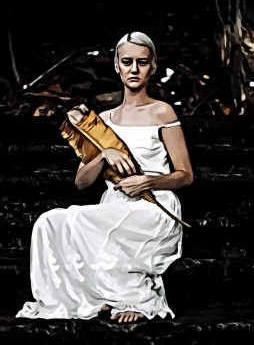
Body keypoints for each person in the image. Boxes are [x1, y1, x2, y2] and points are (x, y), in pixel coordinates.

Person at [16, 31, 193, 323]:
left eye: (142, 62)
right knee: (50, 222)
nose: (134, 69)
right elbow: (81, 183)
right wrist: (103, 154)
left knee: (97, 226)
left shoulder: (163, 112)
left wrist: (148, 181)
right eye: (127, 62)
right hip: (115, 204)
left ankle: (138, 300)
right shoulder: (104, 121)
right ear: (116, 66)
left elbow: (185, 175)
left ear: (153, 66)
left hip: (154, 205)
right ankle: (85, 299)